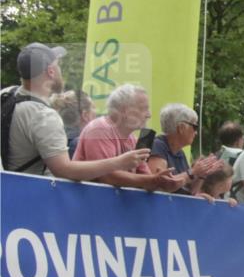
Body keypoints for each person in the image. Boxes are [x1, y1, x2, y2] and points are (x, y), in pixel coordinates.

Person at [2, 43, 149, 180]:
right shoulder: (44, 116)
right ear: (51, 71)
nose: (61, 72)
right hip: (33, 197)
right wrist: (118, 163)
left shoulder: (6, 95)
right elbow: (64, 170)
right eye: (58, 66)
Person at [73, 83, 185, 192]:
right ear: (126, 110)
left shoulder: (133, 139)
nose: (149, 115)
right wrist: (154, 180)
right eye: (144, 108)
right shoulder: (99, 129)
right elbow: (107, 176)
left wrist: (163, 183)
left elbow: (146, 179)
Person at [147, 103, 222, 195]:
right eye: (195, 127)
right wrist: (192, 172)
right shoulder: (157, 145)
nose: (196, 133)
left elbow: (190, 191)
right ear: (181, 128)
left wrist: (201, 174)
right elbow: (159, 185)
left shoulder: (179, 152)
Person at [50, 90, 96, 159]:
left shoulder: (53, 140)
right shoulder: (82, 144)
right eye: (94, 108)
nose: (96, 113)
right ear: (85, 115)